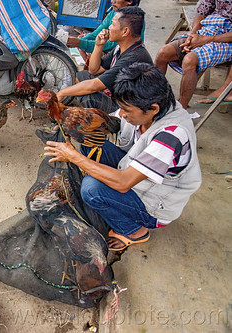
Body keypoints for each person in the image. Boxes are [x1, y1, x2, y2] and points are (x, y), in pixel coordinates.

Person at [44, 63, 201, 251]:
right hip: (136, 169)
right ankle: (110, 200)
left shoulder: (171, 135)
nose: (122, 114)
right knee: (90, 144)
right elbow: (108, 122)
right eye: (121, 107)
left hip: (155, 202)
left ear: (153, 109)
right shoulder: (144, 107)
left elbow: (123, 182)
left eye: (127, 110)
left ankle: (134, 230)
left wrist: (73, 156)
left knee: (91, 188)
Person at [57, 6, 152, 114]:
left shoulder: (134, 57)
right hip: (118, 94)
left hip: (130, 109)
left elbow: (94, 86)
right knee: (81, 76)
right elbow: (93, 70)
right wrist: (98, 45)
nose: (109, 28)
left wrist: (62, 93)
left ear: (125, 31)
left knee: (88, 98)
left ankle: (103, 126)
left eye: (113, 24)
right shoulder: (120, 48)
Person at [155, 0, 232, 109]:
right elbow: (201, 13)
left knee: (190, 60)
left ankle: (182, 107)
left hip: (227, 39)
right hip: (208, 29)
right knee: (163, 53)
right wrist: (193, 35)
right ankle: (155, 98)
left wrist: (205, 40)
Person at [67, 0, 145, 63]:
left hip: (121, 55)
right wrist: (81, 41)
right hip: (114, 50)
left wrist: (81, 43)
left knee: (93, 53)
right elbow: (97, 32)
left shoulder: (134, 21)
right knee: (85, 45)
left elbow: (113, 45)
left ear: (129, 1)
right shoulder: (113, 13)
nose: (112, 1)